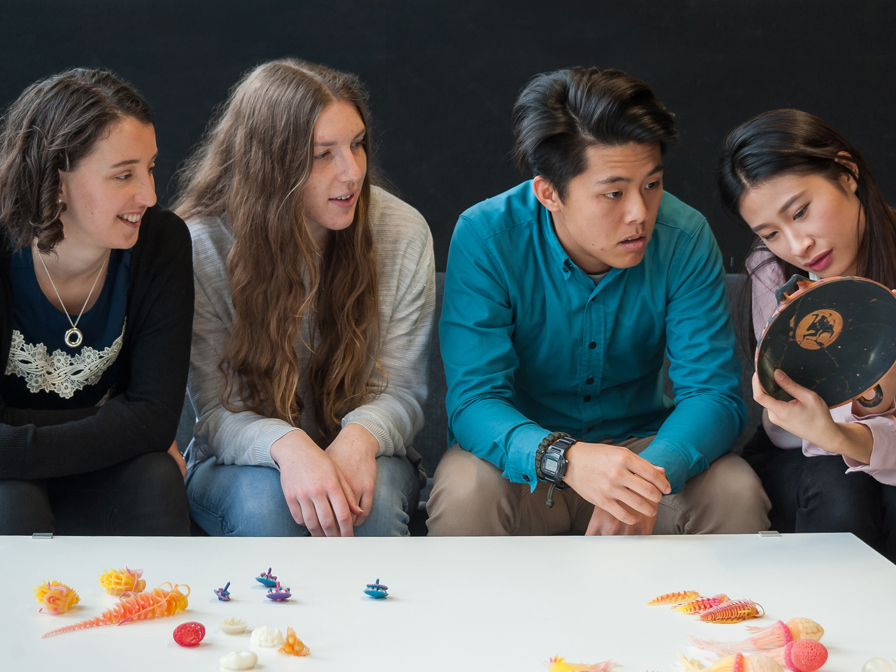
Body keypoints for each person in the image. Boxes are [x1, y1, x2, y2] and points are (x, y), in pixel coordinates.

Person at [427, 66, 769, 536]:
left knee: (735, 489)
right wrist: (563, 458)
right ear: (550, 193)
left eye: (652, 184)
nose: (640, 213)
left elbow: (713, 394)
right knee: (464, 486)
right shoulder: (487, 236)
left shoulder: (684, 236)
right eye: (613, 193)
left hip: (645, 453)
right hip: (525, 461)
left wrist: (641, 481)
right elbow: (474, 400)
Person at [175, 59, 435, 537]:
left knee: (366, 508)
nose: (352, 172)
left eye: (357, 145)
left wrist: (357, 440)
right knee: (270, 510)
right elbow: (215, 413)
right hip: (244, 464)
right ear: (269, 163)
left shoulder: (402, 231)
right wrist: (291, 448)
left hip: (367, 449)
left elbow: (401, 392)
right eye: (323, 154)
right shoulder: (202, 244)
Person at [0, 68, 192, 535]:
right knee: (13, 502)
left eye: (149, 168)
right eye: (123, 174)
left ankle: (154, 612)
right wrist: (117, 423)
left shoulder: (161, 242)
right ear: (57, 177)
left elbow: (154, 418)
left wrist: (17, 443)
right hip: (18, 474)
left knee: (156, 478)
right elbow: (139, 423)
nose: (147, 195)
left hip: (85, 463)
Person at [718, 109, 896, 561]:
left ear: (846, 173)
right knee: (842, 491)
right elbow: (801, 424)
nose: (798, 246)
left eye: (801, 212)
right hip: (800, 453)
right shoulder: (773, 271)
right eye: (770, 232)